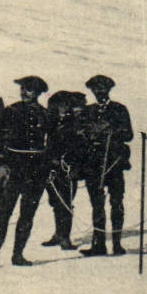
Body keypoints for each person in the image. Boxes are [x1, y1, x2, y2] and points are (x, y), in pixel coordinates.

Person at [0, 75, 52, 269]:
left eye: (28, 89)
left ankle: (18, 255)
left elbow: (53, 143)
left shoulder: (45, 114)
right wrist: (0, 162)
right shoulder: (10, 111)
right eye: (22, 89)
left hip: (36, 171)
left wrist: (49, 167)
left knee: (27, 214)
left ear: (37, 93)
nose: (24, 92)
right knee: (3, 213)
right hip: (14, 168)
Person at [79, 74, 132, 256]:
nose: (99, 92)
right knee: (97, 204)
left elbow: (129, 135)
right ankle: (99, 245)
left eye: (103, 88)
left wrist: (111, 129)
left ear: (109, 90)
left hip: (114, 163)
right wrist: (88, 133)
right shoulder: (87, 111)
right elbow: (80, 134)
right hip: (93, 165)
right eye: (96, 89)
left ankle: (117, 244)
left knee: (116, 203)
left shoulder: (119, 109)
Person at [40, 90, 86, 251]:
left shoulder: (76, 122)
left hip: (68, 168)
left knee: (66, 202)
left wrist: (74, 165)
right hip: (51, 167)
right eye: (59, 105)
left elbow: (80, 147)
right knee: (55, 201)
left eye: (65, 105)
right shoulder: (50, 122)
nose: (62, 108)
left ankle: (65, 236)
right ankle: (58, 234)